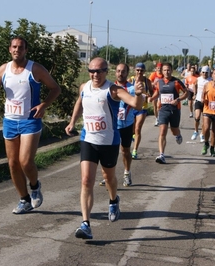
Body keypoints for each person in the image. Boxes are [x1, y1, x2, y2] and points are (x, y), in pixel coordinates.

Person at [65, 57, 144, 239]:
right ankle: (85, 224)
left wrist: (139, 94)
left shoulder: (113, 90)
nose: (95, 75)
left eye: (99, 71)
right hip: (88, 139)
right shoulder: (84, 87)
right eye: (92, 71)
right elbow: (80, 102)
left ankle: (113, 200)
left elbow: (136, 104)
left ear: (106, 72)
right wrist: (72, 122)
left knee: (109, 178)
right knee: (86, 180)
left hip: (109, 141)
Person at [0, 36, 61, 214]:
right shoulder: (4, 69)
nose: (17, 50)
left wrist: (44, 105)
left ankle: (34, 186)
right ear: (10, 49)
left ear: (26, 50)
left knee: (25, 161)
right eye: (14, 47)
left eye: (21, 47)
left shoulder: (35, 69)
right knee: (12, 164)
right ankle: (24, 199)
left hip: (30, 121)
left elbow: (55, 88)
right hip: (10, 121)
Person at [99, 63, 135, 187]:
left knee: (125, 151)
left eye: (123, 71)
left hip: (126, 124)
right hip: (111, 125)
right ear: (115, 73)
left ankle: (127, 173)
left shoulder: (131, 89)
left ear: (127, 73)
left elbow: (136, 104)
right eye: (118, 71)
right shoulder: (109, 87)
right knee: (107, 151)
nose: (120, 73)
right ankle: (108, 176)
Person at [150, 62, 188, 164]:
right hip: (163, 110)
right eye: (164, 70)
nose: (166, 72)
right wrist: (151, 98)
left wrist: (178, 100)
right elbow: (157, 93)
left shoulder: (176, 82)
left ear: (171, 70)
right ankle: (161, 155)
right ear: (162, 71)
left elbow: (186, 92)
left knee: (174, 130)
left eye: (168, 70)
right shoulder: (159, 82)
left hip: (174, 110)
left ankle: (178, 135)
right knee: (162, 131)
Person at [131, 62, 153, 159]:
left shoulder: (147, 82)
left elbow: (152, 93)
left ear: (144, 71)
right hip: (131, 107)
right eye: (138, 70)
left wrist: (148, 96)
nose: (139, 72)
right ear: (135, 70)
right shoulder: (131, 80)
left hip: (142, 108)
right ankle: (133, 135)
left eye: (141, 70)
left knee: (138, 128)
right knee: (132, 130)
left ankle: (135, 150)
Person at [191, 66, 211, 141]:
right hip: (198, 100)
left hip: (206, 102)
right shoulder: (198, 79)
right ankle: (195, 131)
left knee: (204, 120)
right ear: (201, 72)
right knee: (197, 117)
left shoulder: (210, 80)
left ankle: (202, 134)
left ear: (208, 73)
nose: (204, 74)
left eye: (206, 72)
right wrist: (194, 94)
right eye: (203, 72)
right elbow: (194, 85)